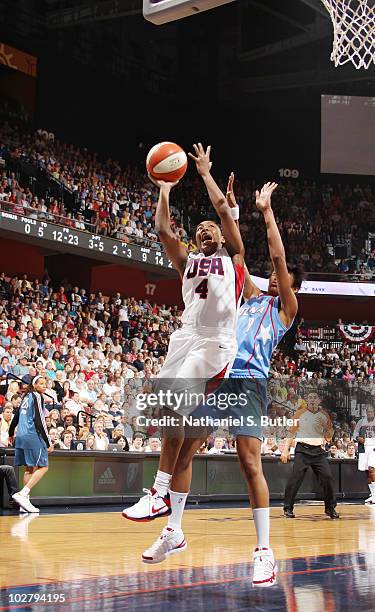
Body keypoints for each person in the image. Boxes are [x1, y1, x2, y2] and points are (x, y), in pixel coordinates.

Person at [137, 180, 301, 589]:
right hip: (219, 373)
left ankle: (264, 552)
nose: (276, 278)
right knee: (184, 452)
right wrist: (233, 212)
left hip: (250, 383)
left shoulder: (284, 311)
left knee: (249, 463)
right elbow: (233, 256)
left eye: (284, 278)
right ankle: (173, 529)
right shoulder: (245, 294)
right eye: (274, 277)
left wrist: (266, 212)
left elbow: (275, 255)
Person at [123, 144, 245, 527]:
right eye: (199, 229)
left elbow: (224, 212)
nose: (206, 229)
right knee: (169, 417)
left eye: (212, 227)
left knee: (175, 407)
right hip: (185, 337)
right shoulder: (187, 261)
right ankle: (164, 501)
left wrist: (205, 173)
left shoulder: (234, 258)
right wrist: (163, 188)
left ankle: (159, 492)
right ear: (194, 242)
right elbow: (162, 228)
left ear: (223, 238)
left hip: (215, 340)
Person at [281, 391, 339, 520]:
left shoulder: (324, 415)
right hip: (302, 449)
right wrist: (285, 450)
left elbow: (329, 436)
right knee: (295, 479)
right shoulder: (299, 413)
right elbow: (291, 433)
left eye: (315, 398)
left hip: (318, 451)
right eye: (310, 398)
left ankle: (330, 508)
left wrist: (328, 430)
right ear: (307, 400)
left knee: (328, 478)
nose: (312, 400)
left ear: (319, 401)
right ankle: (288, 508)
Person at [8, 375, 53, 513]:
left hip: (21, 435)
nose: (44, 386)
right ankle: (23, 493)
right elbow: (40, 420)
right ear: (34, 385)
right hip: (32, 436)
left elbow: (16, 416)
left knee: (29, 469)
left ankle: (24, 504)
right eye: (41, 383)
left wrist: (11, 432)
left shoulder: (26, 397)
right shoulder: (37, 397)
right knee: (44, 466)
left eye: (45, 383)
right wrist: (48, 441)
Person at [353, 405, 375, 505]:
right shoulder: (361, 422)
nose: (369, 413)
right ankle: (372, 494)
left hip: (373, 447)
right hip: (363, 447)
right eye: (368, 412)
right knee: (366, 471)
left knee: (372, 469)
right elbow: (355, 434)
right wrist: (358, 438)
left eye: (371, 412)